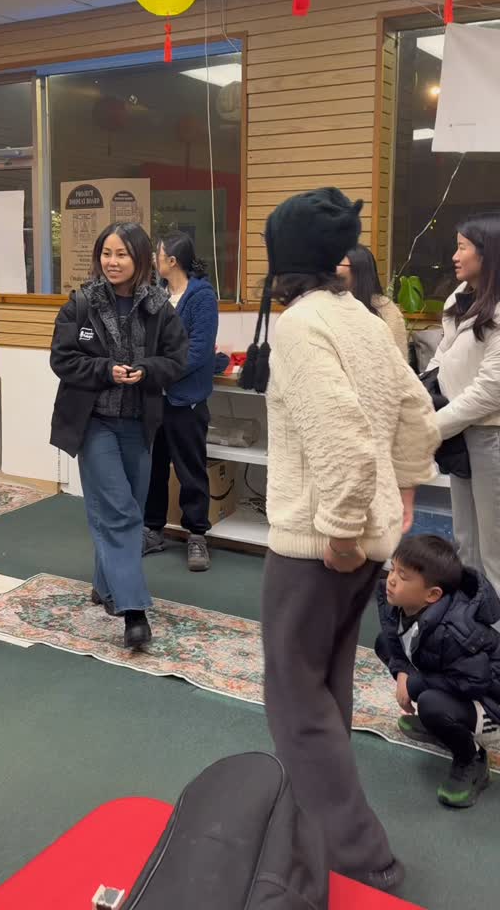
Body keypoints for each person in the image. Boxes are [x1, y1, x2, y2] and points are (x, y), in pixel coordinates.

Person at [258, 187, 439, 895]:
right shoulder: (363, 320)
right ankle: (313, 832)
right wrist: (392, 500)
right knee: (325, 689)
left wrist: (338, 532)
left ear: (282, 260)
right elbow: (417, 414)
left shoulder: (303, 327)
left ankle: (359, 857)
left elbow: (341, 434)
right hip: (364, 537)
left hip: (317, 547)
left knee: (296, 705)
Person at [50, 222, 187, 651]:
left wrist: (146, 370)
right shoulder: (81, 303)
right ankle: (133, 612)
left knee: (122, 505)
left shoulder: (159, 306)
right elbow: (62, 358)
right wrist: (104, 371)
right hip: (93, 423)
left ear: (140, 259)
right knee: (122, 514)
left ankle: (104, 585)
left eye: (121, 254)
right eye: (106, 253)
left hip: (139, 423)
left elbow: (176, 359)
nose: (112, 262)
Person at [376, 534, 500, 809]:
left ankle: (472, 759)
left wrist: (416, 684)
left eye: (403, 576)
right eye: (393, 568)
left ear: (432, 595)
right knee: (384, 643)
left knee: (431, 703)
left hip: (491, 704)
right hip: (463, 683)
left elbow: (475, 681)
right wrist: (404, 675)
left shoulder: (454, 632)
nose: (392, 579)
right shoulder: (399, 604)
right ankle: (444, 724)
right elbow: (394, 643)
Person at [426, 214, 500, 595]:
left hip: (490, 435)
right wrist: (427, 390)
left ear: (487, 254)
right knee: (466, 541)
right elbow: (444, 352)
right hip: (459, 432)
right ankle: (470, 626)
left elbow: (491, 388)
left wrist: (434, 425)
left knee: (494, 548)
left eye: (462, 247)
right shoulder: (460, 296)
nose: (454, 256)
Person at [143, 233, 219, 572]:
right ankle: (153, 529)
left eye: (159, 254)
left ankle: (198, 536)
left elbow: (199, 351)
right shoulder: (156, 295)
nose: (156, 259)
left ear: (172, 260)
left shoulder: (202, 296)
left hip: (185, 399)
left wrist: (159, 371)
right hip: (153, 400)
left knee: (190, 469)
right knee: (153, 468)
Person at [337, 245, 408, 359]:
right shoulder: (325, 303)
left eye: (337, 263)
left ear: (358, 269)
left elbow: (398, 361)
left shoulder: (386, 310)